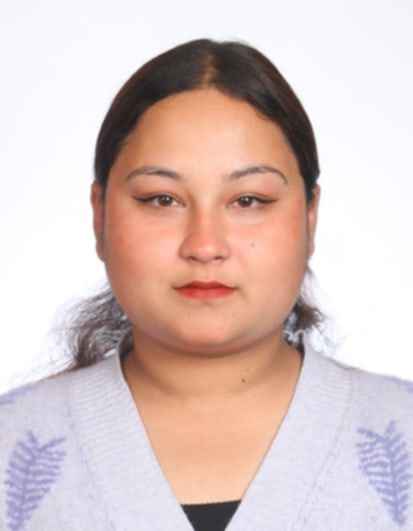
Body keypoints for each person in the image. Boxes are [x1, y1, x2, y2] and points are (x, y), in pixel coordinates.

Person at [0, 38, 412, 531]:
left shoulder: (402, 432)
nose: (204, 245)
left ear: (310, 216)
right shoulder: (12, 445)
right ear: (99, 215)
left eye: (248, 200)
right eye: (161, 200)